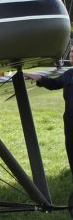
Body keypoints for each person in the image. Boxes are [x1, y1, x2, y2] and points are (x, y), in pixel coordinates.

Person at [25, 46, 73, 179]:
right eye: (72, 52)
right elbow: (54, 83)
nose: (72, 54)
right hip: (70, 123)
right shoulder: (69, 74)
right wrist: (39, 78)